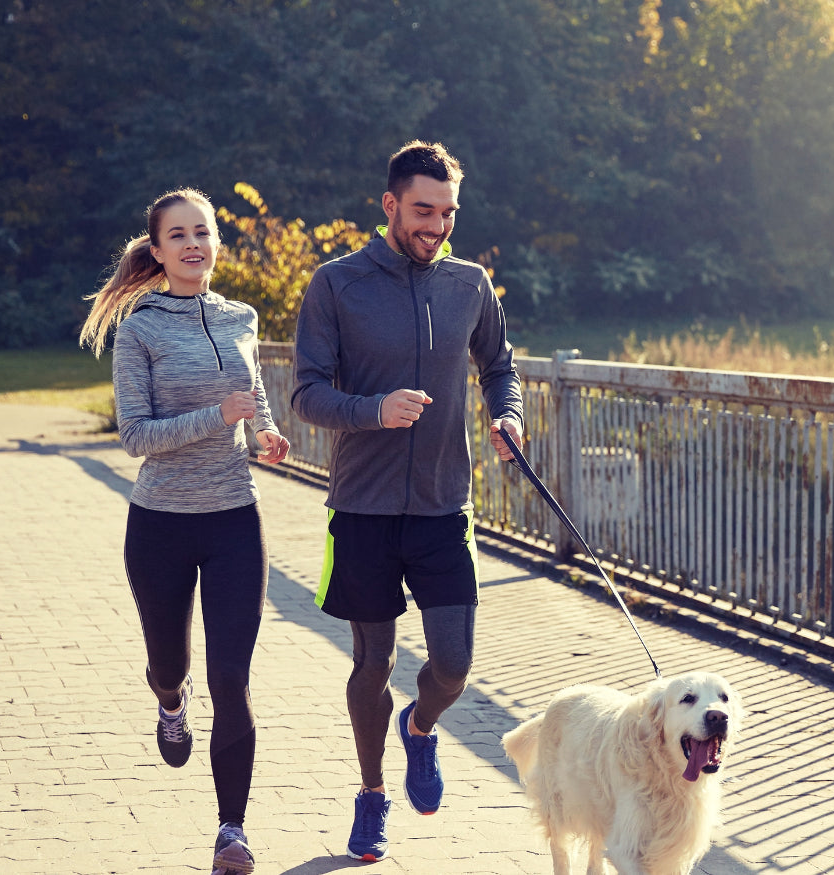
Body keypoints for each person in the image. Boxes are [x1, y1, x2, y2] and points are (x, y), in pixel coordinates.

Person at [290, 141, 524, 861]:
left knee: (453, 661)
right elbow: (305, 395)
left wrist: (507, 413)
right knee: (372, 663)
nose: (436, 226)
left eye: (448, 213)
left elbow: (501, 366)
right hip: (361, 506)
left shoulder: (469, 284)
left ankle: (420, 727)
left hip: (443, 503)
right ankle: (371, 795)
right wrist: (373, 409)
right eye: (423, 210)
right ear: (389, 204)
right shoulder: (336, 285)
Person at [79, 188, 290, 875]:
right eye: (179, 235)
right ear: (158, 249)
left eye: (203, 232)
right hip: (161, 525)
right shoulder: (140, 328)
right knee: (173, 665)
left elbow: (251, 390)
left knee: (233, 675)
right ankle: (170, 699)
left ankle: (232, 831)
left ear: (216, 243)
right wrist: (216, 416)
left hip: (235, 516)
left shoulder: (242, 316)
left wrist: (265, 429)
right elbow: (135, 436)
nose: (193, 243)